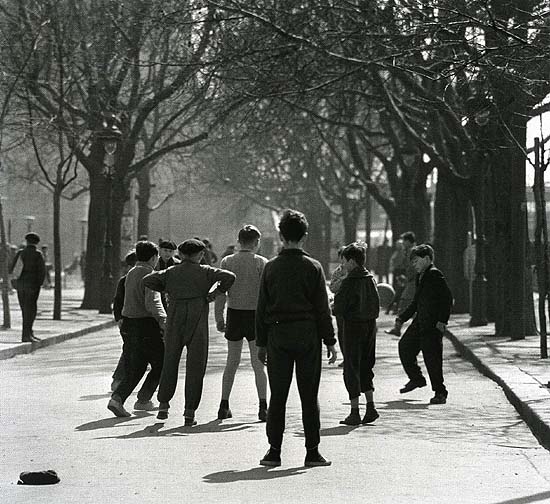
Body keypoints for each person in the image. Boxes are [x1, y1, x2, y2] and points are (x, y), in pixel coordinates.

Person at [256, 209, 338, 468]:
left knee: (278, 394)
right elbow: (322, 308)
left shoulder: (270, 268)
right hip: (307, 334)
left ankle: (274, 450)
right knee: (309, 395)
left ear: (281, 236)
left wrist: (261, 343)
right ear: (305, 236)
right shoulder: (313, 267)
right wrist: (330, 340)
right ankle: (312, 451)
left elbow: (262, 307)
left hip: (278, 334)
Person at [143, 239, 236, 425]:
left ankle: (163, 405)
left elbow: (149, 280)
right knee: (196, 366)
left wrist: (168, 289)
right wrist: (213, 294)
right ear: (200, 255)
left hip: (175, 317)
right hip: (197, 318)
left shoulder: (171, 272)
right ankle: (189, 411)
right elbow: (229, 277)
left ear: (182, 254)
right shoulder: (206, 271)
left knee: (170, 360)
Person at [214, 225, 268, 422]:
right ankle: (263, 407)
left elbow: (221, 292)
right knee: (258, 364)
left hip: (235, 314)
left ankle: (224, 404)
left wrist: (219, 318)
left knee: (232, 362)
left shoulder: (227, 262)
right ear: (256, 242)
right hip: (255, 316)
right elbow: (266, 296)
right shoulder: (262, 263)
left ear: (239, 240)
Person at [107, 241, 166, 418]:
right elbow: (153, 302)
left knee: (137, 366)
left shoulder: (130, 273)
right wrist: (164, 321)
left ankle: (117, 399)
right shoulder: (150, 274)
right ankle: (143, 399)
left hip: (130, 324)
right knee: (162, 364)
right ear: (154, 257)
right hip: (147, 325)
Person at [393, 244, 453, 405]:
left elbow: (447, 299)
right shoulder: (422, 276)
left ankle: (440, 392)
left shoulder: (434, 275)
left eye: (416, 261)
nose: (414, 265)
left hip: (432, 325)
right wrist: (402, 318)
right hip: (420, 321)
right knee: (405, 347)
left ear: (427, 259)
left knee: (432, 359)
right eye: (412, 262)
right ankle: (417, 378)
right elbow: (416, 302)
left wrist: (442, 321)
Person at [334, 242, 380, 425]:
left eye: (345, 260)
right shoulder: (370, 279)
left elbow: (339, 308)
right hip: (370, 326)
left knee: (351, 368)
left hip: (352, 327)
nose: (343, 264)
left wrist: (333, 306)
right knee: (366, 366)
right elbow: (377, 305)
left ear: (352, 261)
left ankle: (354, 412)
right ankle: (371, 407)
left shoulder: (349, 282)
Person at [9, 233, 46, 343]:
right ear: (36, 243)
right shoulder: (38, 254)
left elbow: (12, 268)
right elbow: (42, 272)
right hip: (33, 286)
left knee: (24, 309)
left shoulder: (20, 253)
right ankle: (27, 334)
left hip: (21, 286)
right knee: (31, 310)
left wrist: (15, 283)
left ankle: (28, 333)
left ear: (27, 241)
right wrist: (39, 284)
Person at [110, 250, 138, 392]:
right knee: (129, 350)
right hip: (128, 320)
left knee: (130, 350)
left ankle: (121, 379)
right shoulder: (125, 280)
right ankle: (119, 379)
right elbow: (118, 301)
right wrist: (119, 318)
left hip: (130, 320)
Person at [386, 232, 416, 334]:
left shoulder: (413, 251)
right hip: (412, 282)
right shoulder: (408, 251)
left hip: (414, 282)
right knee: (409, 305)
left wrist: (407, 278)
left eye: (404, 241)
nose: (403, 243)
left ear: (408, 241)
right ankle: (398, 328)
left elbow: (413, 268)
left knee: (404, 303)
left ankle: (397, 328)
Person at [329, 246, 347, 368]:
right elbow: (332, 288)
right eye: (343, 258)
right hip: (341, 307)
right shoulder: (337, 272)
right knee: (342, 333)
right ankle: (346, 357)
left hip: (354, 308)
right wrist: (343, 279)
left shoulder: (358, 271)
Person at [156, 239, 180, 310]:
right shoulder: (154, 263)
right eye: (165, 250)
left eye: (170, 251)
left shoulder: (178, 264)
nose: (168, 253)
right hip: (158, 292)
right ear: (160, 250)